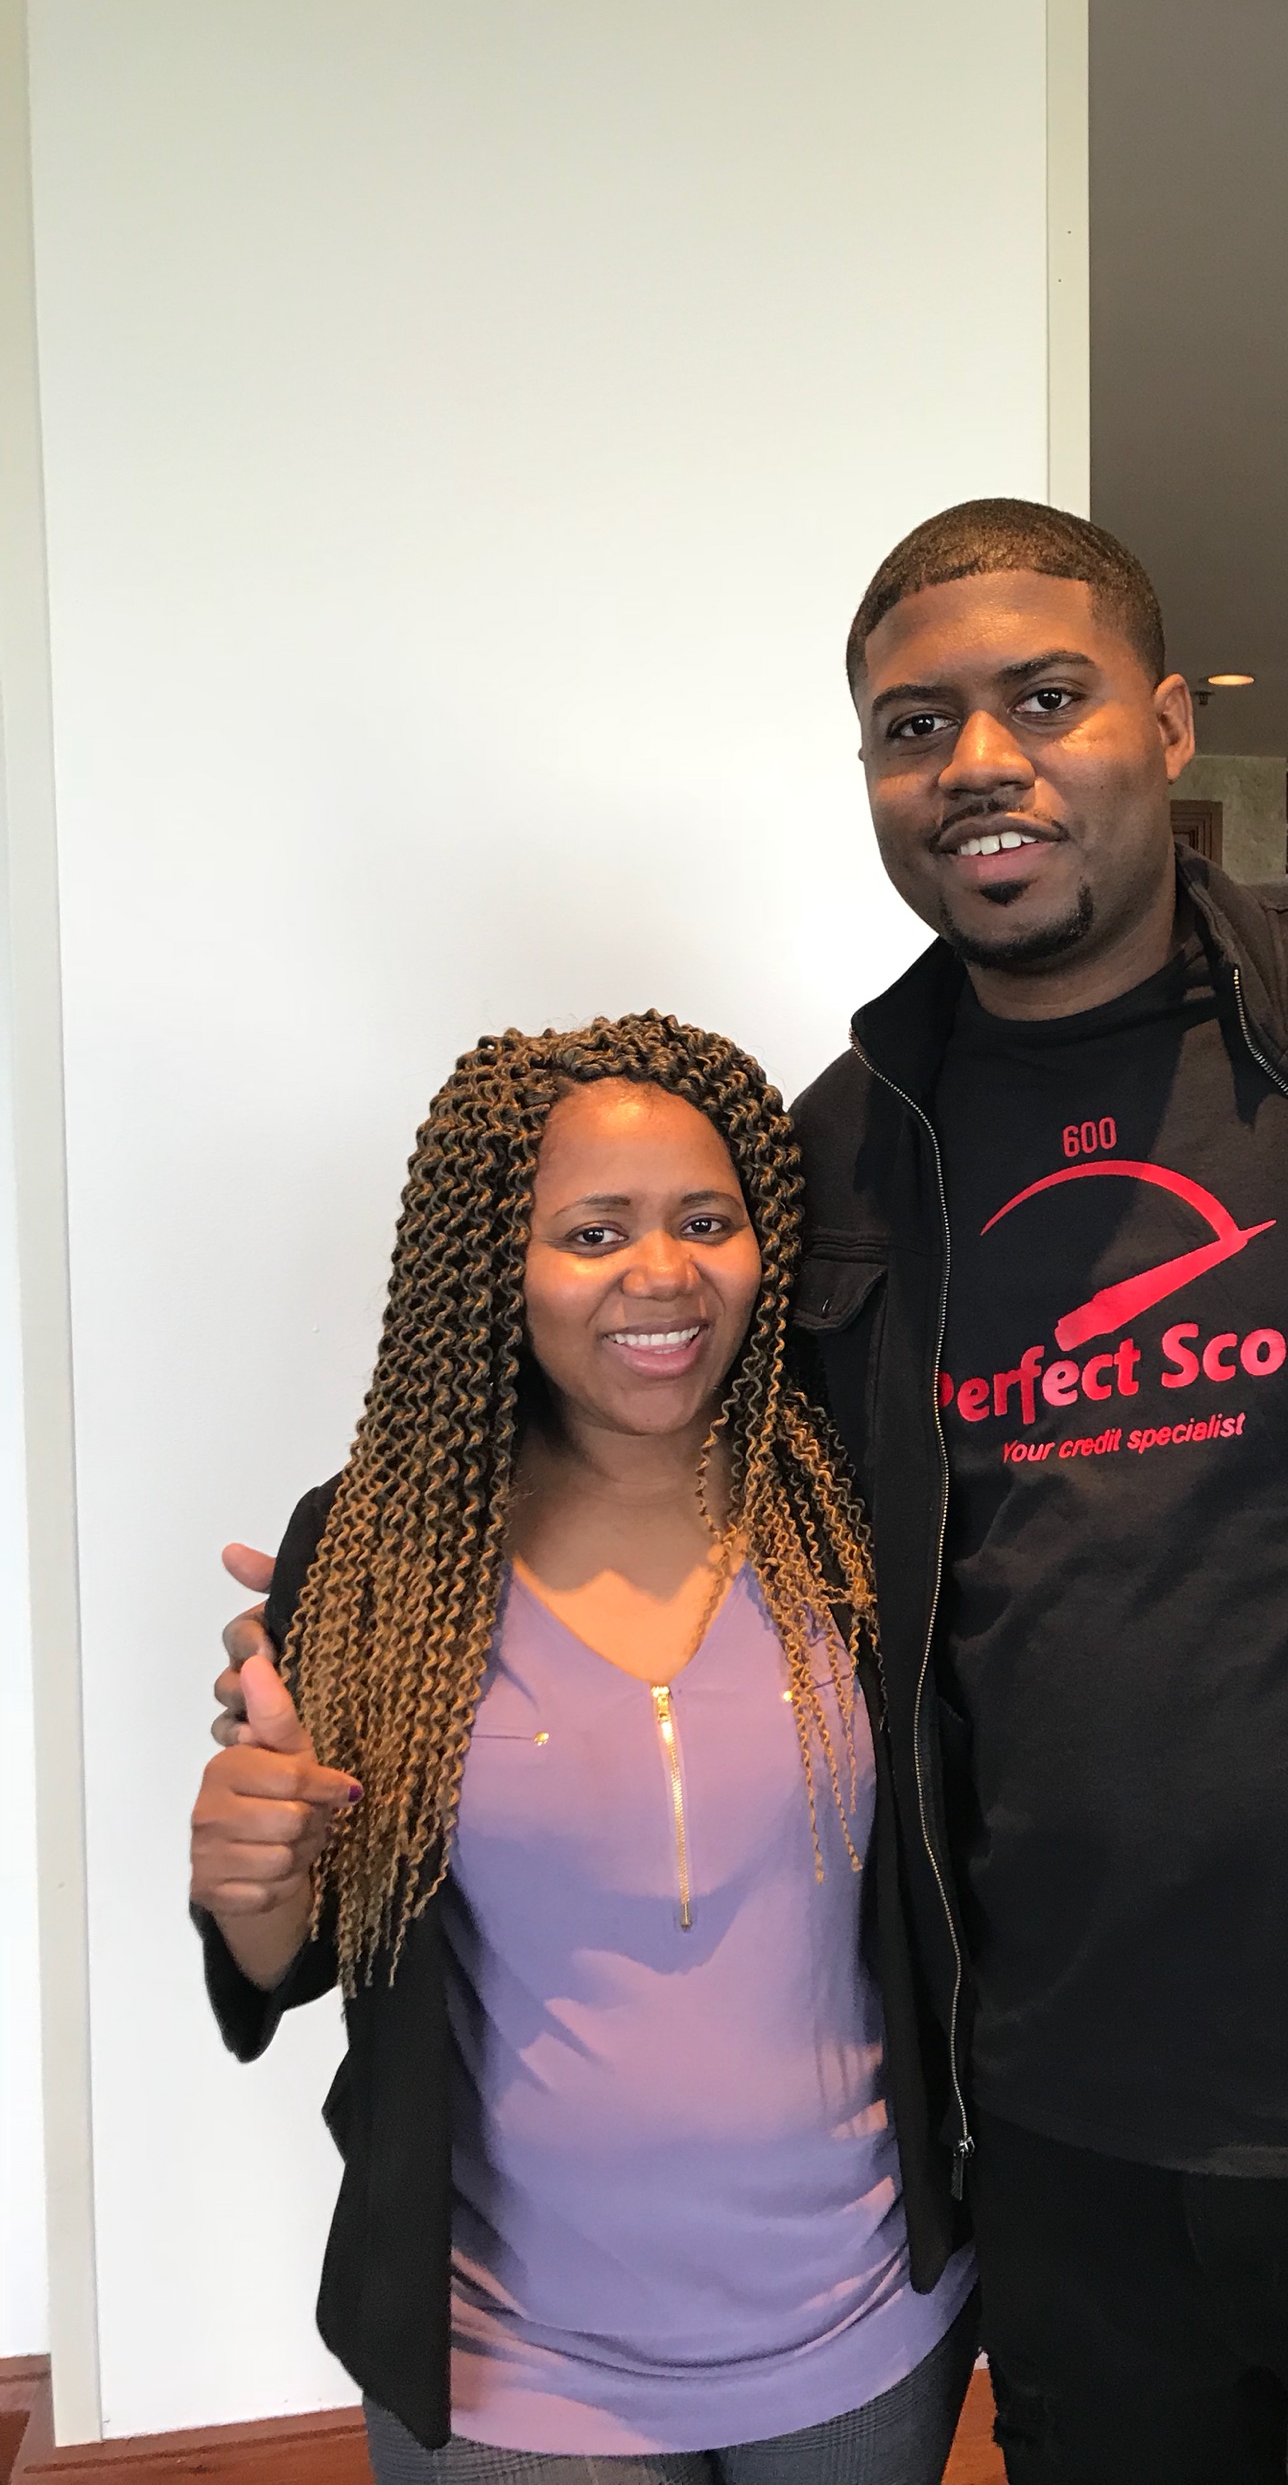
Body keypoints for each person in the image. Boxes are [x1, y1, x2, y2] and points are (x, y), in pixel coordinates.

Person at [217, 502, 1288, 2485]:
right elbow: (676, 1464)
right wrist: (371, 1593)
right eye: (915, 726)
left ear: (1167, 725)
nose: (980, 761)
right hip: (1065, 2134)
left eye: (1046, 696)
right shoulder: (846, 1156)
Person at [190, 1014, 977, 2485]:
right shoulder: (380, 1552)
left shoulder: (855, 1510)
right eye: (593, 1232)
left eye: (707, 1222)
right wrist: (254, 1888)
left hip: (862, 2325)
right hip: (511, 2361)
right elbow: (300, 1953)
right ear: (495, 1265)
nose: (662, 1274)